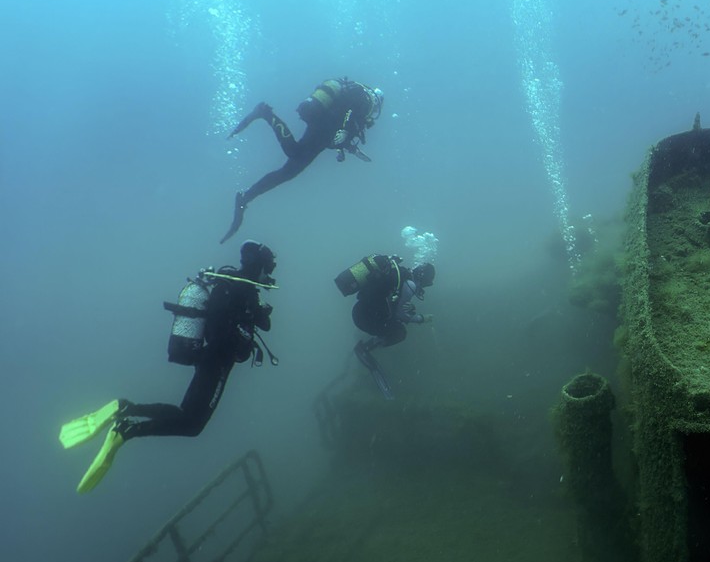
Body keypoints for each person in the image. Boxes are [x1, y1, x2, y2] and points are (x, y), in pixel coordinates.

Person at [60, 241, 279, 493]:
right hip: (217, 362)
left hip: (210, 359)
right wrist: (243, 334)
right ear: (259, 264)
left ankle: (127, 415)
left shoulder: (233, 285)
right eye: (269, 266)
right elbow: (226, 331)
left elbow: (258, 324)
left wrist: (255, 317)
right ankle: (127, 425)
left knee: (186, 416)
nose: (270, 273)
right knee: (193, 424)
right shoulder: (244, 290)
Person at [221, 77, 384, 242]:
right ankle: (265, 113)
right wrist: (345, 129)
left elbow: (341, 131)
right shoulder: (364, 98)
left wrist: (348, 145)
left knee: (288, 172)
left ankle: (245, 197)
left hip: (323, 129)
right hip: (323, 126)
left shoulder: (360, 101)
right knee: (292, 155)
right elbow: (348, 112)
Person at [333, 253, 435, 399]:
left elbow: (391, 303)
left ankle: (365, 348)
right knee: (400, 332)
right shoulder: (410, 285)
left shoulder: (398, 275)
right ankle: (364, 349)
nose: (423, 287)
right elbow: (401, 315)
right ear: (422, 278)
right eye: (425, 284)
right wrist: (420, 319)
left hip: (359, 312)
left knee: (395, 324)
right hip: (366, 318)